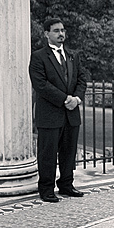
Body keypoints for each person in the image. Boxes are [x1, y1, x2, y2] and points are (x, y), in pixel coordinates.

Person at [29, 18, 87, 202]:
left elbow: (82, 80)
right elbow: (41, 85)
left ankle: (67, 185)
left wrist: (76, 99)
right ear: (47, 34)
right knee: (47, 154)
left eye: (63, 30)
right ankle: (46, 189)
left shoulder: (73, 56)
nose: (61, 34)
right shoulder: (38, 57)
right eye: (56, 31)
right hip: (49, 115)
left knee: (69, 153)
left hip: (71, 114)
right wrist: (64, 99)